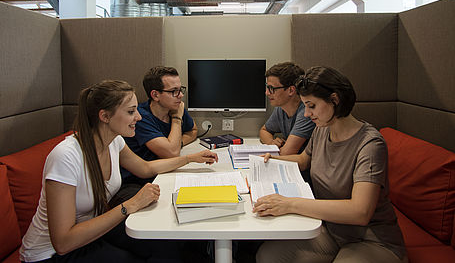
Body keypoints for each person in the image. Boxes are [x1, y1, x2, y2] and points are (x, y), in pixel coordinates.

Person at [19, 80, 217, 263]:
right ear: (104, 116)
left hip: (92, 233)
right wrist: (130, 205)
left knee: (164, 245)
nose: (138, 117)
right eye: (131, 112)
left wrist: (190, 159)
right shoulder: (66, 156)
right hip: (49, 255)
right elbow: (63, 243)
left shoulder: (114, 141)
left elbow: (145, 168)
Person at [253, 66, 407, 263]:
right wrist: (266, 161)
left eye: (312, 106)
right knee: (268, 256)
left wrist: (289, 204)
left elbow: (360, 212)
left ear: (335, 100)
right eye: (304, 106)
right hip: (334, 231)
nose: (307, 114)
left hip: (370, 239)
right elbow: (303, 160)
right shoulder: (323, 128)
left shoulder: (370, 144)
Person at [122, 66, 197, 185]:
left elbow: (193, 130)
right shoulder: (140, 117)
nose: (180, 95)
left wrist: (178, 143)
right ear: (155, 95)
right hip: (140, 182)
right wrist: (177, 119)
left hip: (165, 172)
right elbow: (171, 153)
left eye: (180, 89)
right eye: (174, 91)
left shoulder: (174, 106)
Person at [259, 62, 315, 155]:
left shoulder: (307, 112)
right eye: (267, 87)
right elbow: (264, 131)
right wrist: (271, 143)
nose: (267, 93)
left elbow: (286, 153)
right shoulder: (281, 108)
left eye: (271, 88)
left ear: (291, 90)